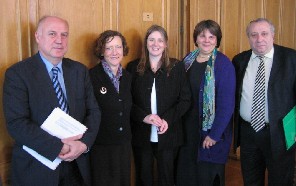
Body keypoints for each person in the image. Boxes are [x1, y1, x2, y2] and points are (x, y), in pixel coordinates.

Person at [2, 15, 101, 186]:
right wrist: (58, 147)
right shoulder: (17, 74)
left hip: (77, 165)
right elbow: (17, 123)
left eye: (64, 35)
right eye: (52, 34)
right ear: (37, 37)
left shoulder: (79, 71)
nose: (59, 40)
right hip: (37, 169)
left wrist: (84, 145)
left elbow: (94, 112)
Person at [233, 18, 296, 185]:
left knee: (280, 181)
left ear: (273, 36)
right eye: (254, 35)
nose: (259, 39)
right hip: (248, 133)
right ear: (248, 37)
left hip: (281, 132)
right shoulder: (239, 60)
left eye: (264, 34)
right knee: (251, 180)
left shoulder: (293, 59)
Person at [126, 25, 191, 186]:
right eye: (151, 39)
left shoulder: (177, 67)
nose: (156, 44)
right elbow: (127, 102)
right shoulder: (133, 68)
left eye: (160, 40)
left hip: (170, 134)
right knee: (144, 178)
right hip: (142, 134)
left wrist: (167, 119)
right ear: (146, 43)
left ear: (166, 44)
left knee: (167, 178)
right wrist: (144, 117)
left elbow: (185, 100)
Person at [176, 20, 236, 186]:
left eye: (212, 36)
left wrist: (214, 135)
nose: (207, 40)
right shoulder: (187, 60)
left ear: (217, 40)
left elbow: (227, 105)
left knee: (206, 177)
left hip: (209, 131)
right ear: (196, 39)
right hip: (187, 129)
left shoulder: (224, 64)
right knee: (187, 174)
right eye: (202, 36)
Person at [89, 30, 132, 186]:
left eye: (118, 47)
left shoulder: (128, 77)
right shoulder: (91, 77)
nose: (115, 52)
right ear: (101, 51)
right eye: (109, 48)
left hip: (124, 145)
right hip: (101, 147)